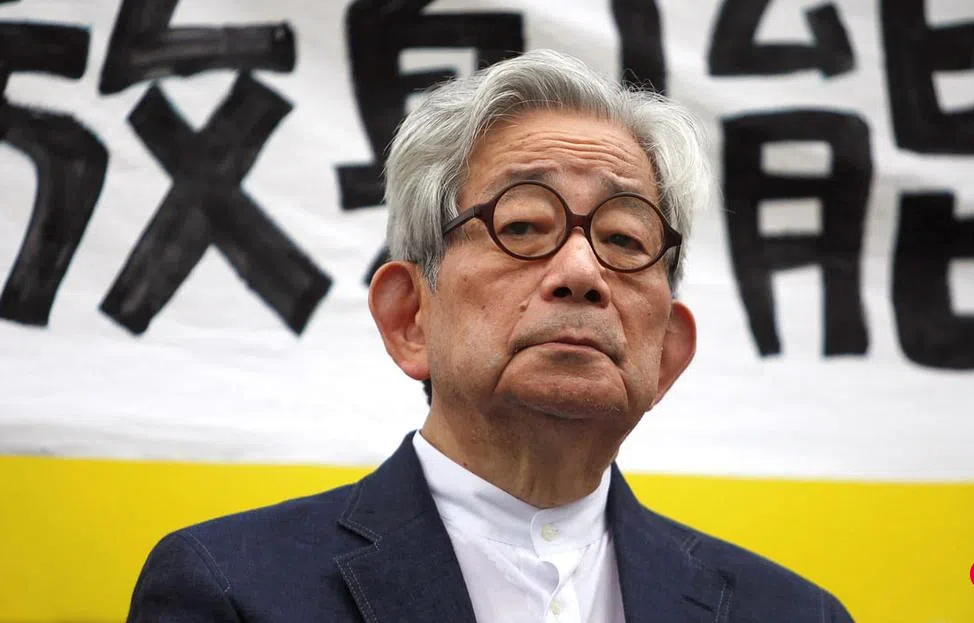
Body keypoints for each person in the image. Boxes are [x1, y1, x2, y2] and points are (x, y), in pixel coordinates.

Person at [126, 50, 854, 622]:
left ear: (666, 353)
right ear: (410, 316)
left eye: (624, 238)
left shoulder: (796, 614)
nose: (581, 272)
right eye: (523, 225)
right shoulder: (234, 589)